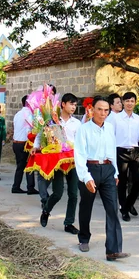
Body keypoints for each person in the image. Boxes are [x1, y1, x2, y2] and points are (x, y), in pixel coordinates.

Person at [75, 96, 130, 261]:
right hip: (89, 169)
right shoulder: (83, 129)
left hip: (107, 170)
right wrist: (86, 177)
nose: (103, 113)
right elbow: (79, 154)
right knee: (86, 206)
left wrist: (115, 173)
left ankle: (113, 250)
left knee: (113, 208)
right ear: (92, 109)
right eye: (100, 109)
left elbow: (112, 151)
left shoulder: (110, 128)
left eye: (106, 110)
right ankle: (84, 238)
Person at [38, 93, 81, 234]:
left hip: (73, 162)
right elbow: (41, 134)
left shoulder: (77, 123)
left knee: (73, 194)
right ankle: (46, 210)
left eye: (75, 105)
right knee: (57, 192)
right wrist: (36, 146)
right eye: (71, 104)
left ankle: (69, 223)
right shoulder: (53, 121)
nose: (73, 107)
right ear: (63, 104)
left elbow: (81, 142)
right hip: (58, 162)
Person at [113, 91, 139, 221]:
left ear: (135, 103)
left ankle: (128, 204)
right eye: (127, 101)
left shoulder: (138, 119)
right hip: (120, 151)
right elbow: (110, 136)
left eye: (132, 101)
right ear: (123, 102)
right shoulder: (115, 118)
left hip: (134, 152)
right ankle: (124, 209)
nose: (129, 103)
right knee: (122, 182)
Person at [12, 95, 37, 194]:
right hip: (24, 144)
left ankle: (18, 186)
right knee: (28, 165)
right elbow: (30, 131)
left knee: (21, 166)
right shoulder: (29, 115)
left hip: (16, 143)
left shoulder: (18, 114)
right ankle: (28, 187)